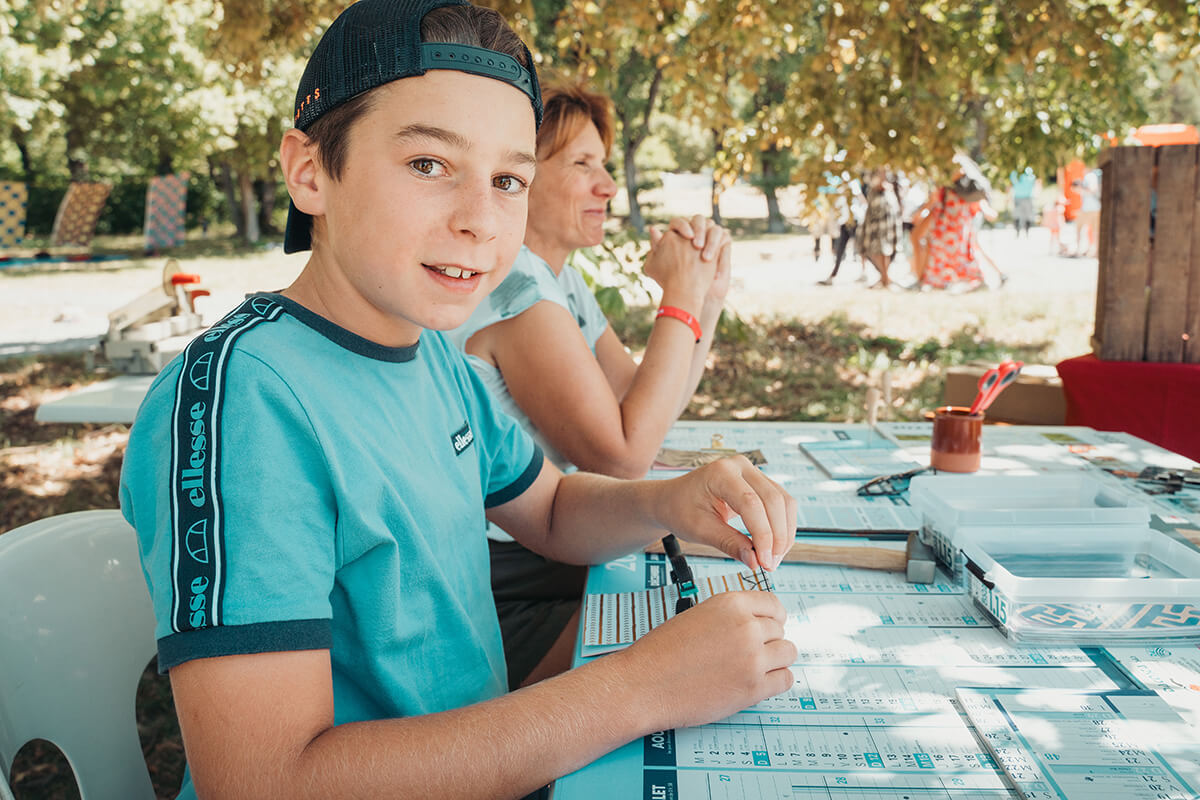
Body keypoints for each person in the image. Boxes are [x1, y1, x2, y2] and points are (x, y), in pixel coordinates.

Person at [118, 2, 798, 799]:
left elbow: (547, 511)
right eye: (428, 165)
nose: (481, 220)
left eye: (509, 180)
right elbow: (263, 780)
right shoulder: (245, 403)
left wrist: (669, 501)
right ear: (309, 171)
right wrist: (641, 686)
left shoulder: (432, 356)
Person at [446, 82, 733, 689]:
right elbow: (624, 455)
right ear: (519, 176)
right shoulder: (516, 289)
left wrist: (705, 297)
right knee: (692, 645)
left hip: (542, 544)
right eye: (582, 164)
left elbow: (655, 406)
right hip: (499, 574)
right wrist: (679, 299)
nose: (607, 186)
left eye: (604, 164)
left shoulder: (557, 279)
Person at [856, 167, 903, 289]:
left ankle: (885, 278)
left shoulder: (886, 166)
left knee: (883, 247)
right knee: (874, 247)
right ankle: (885, 278)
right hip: (876, 209)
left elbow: (882, 184)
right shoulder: (871, 166)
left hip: (883, 210)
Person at [1008, 167, 1039, 237]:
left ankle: (1020, 231)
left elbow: (1012, 178)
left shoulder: (1019, 177)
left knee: (1020, 215)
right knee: (1025, 215)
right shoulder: (1031, 178)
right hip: (1024, 198)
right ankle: (1023, 231)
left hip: (1021, 198)